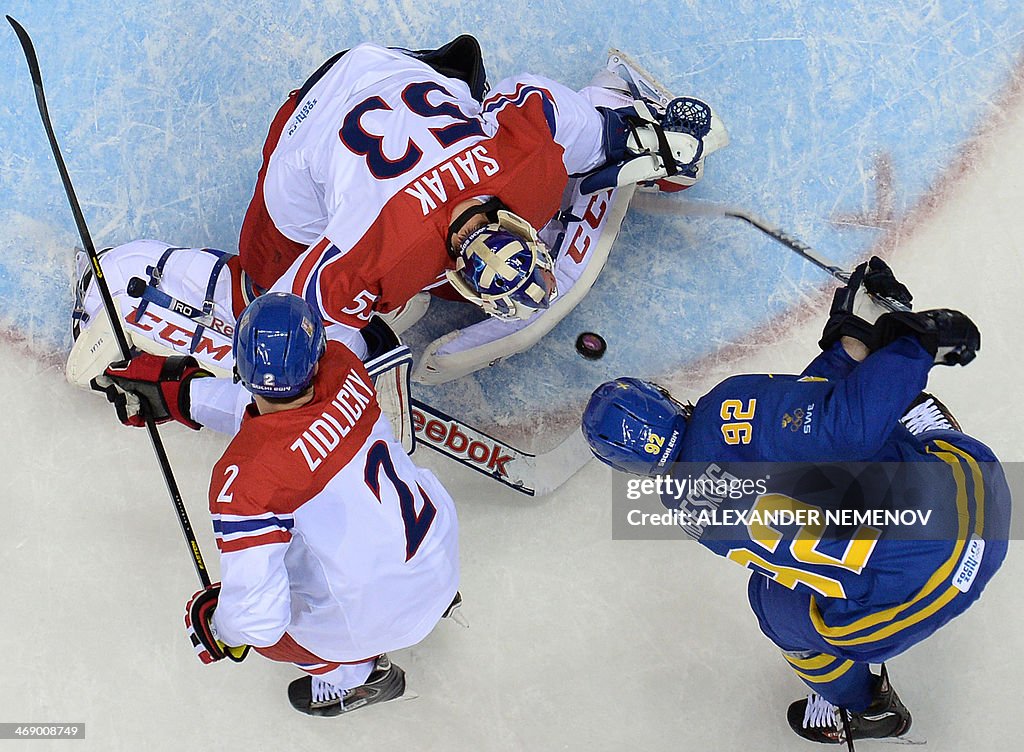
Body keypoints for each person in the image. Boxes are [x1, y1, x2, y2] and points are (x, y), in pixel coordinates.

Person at [580, 259, 1010, 748]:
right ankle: (926, 421)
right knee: (878, 414)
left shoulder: (682, 508)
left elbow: (786, 431)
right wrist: (911, 345)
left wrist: (845, 349)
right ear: (664, 398)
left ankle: (861, 706)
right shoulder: (726, 406)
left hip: (911, 605)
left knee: (774, 602)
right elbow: (811, 424)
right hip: (979, 496)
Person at [241, 37, 728, 377]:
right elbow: (285, 321)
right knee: (262, 275)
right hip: (306, 121)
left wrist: (641, 141)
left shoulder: (531, 151)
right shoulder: (374, 253)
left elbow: (549, 106)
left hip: (387, 67)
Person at [96, 292, 460, 716]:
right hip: (439, 564)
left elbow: (257, 622)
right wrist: (184, 396)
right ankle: (424, 606)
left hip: (371, 617)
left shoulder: (247, 480)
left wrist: (218, 628)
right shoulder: (344, 368)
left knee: (278, 637)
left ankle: (354, 677)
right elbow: (286, 425)